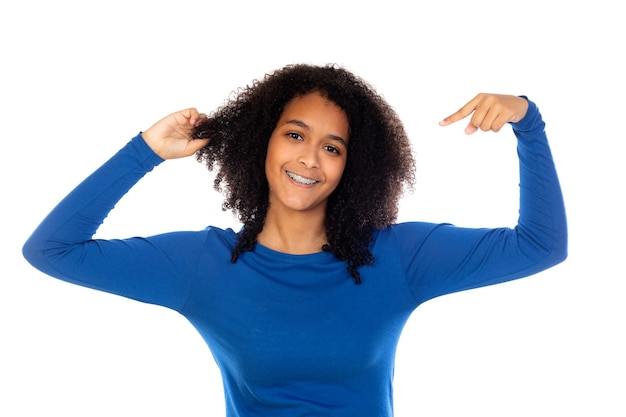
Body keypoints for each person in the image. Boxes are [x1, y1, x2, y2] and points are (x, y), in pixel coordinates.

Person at [22, 63, 567, 416]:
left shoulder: (397, 258)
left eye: (333, 147)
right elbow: (51, 251)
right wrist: (145, 151)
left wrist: (528, 122)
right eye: (294, 135)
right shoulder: (202, 265)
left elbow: (541, 245)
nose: (309, 158)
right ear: (263, 143)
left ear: (354, 165)